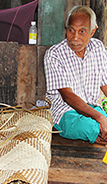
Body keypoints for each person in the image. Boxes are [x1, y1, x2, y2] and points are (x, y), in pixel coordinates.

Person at [44, 5, 107, 146]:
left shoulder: (98, 48)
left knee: (100, 127)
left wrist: (100, 116)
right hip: (66, 113)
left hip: (93, 108)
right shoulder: (54, 54)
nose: (75, 38)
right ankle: (93, 132)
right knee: (92, 128)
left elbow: (105, 85)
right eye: (71, 30)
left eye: (82, 31)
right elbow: (67, 96)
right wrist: (100, 118)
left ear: (92, 31)